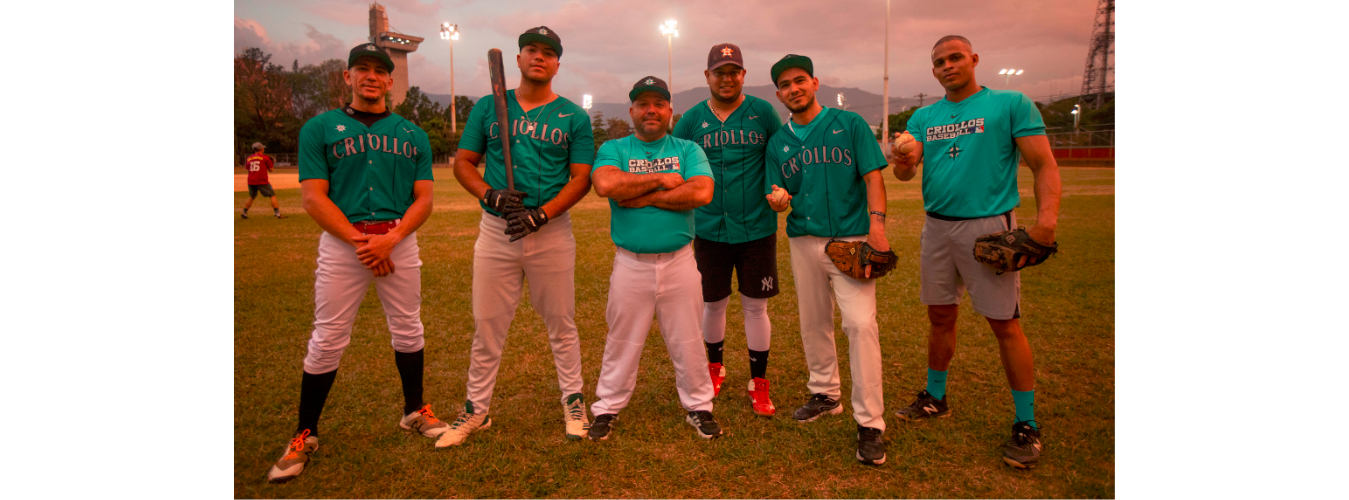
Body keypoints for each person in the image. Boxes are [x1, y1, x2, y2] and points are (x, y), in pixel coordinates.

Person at [265, 43, 443, 483]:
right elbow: (313, 196)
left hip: (398, 239)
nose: (370, 76)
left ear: (389, 81)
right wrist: (363, 242)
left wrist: (394, 238)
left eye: (379, 71)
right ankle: (305, 433)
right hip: (344, 243)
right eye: (361, 68)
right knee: (327, 338)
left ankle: (414, 410)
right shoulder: (320, 128)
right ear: (347, 77)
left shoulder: (412, 134)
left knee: (408, 327)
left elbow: (424, 198)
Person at [889, 35, 1062, 469]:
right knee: (940, 315)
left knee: (1005, 324)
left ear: (973, 60)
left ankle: (1026, 423)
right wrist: (904, 160)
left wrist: (1045, 223)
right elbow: (906, 174)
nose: (947, 66)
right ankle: (935, 396)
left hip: (988, 227)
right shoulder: (925, 116)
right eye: (939, 62)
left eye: (955, 58)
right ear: (933, 71)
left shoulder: (1010, 103)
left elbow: (1044, 164)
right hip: (937, 227)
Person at [437, 26, 596, 448]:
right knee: (487, 325)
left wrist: (541, 214)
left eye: (548, 52)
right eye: (531, 50)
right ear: (520, 58)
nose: (539, 57)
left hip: (551, 232)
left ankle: (574, 400)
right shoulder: (490, 107)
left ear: (558, 64)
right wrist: (489, 193)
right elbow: (464, 163)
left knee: (561, 323)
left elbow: (581, 179)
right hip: (496, 229)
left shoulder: (574, 117)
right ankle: (476, 409)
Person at [763, 55, 891, 465]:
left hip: (851, 238)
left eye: (800, 80)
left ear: (815, 83)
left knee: (859, 323)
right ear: (779, 93)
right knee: (812, 321)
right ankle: (825, 393)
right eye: (785, 84)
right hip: (803, 239)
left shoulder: (849, 125)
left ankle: (871, 421)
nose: (793, 89)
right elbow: (778, 193)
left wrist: (878, 227)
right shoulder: (778, 142)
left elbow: (873, 175)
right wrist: (779, 199)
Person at [586, 76, 723, 441]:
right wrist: (663, 179)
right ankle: (607, 407)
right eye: (643, 104)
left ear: (669, 111)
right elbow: (606, 186)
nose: (651, 110)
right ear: (631, 110)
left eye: (659, 104)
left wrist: (642, 196)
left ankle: (699, 405)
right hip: (631, 263)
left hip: (679, 261)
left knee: (689, 338)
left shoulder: (687, 148)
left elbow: (703, 191)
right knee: (622, 339)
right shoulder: (615, 147)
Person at [672, 43, 783, 417]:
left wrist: (780, 191)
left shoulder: (763, 112)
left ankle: (759, 382)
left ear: (743, 75)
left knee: (755, 306)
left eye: (733, 70)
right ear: (707, 76)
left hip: (756, 227)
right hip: (707, 229)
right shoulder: (691, 120)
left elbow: (780, 157)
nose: (727, 77)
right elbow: (676, 164)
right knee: (713, 303)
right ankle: (714, 369)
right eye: (719, 71)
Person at [242, 142, 285, 219]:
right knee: (272, 195)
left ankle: (244, 213)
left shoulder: (249, 158)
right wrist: (271, 164)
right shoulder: (265, 158)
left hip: (251, 180)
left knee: (252, 196)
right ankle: (277, 214)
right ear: (261, 149)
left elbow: (248, 168)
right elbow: (271, 170)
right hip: (261, 180)